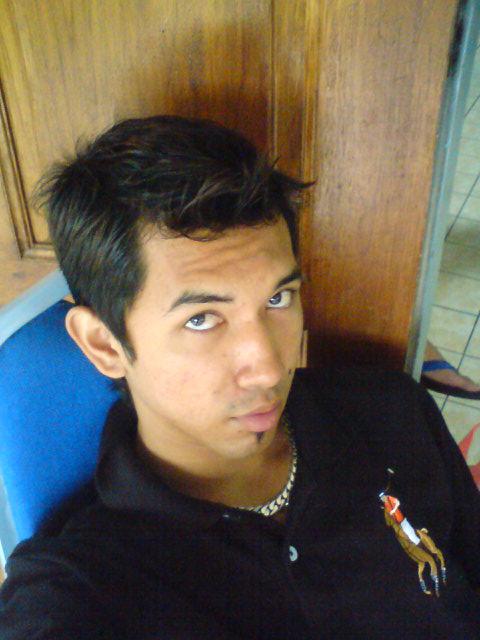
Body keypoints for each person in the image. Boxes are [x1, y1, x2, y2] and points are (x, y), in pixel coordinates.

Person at [0, 116, 479, 639]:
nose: (269, 368)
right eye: (201, 319)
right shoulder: (80, 586)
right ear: (104, 344)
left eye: (278, 298)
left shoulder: (392, 411)